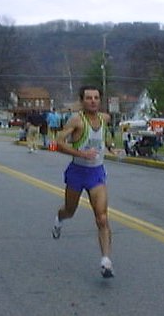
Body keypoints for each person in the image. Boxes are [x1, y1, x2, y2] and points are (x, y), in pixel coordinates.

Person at [52, 85, 115, 278]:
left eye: (96, 98)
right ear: (82, 101)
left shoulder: (105, 118)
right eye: (89, 98)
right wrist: (81, 154)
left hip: (96, 173)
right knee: (70, 211)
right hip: (77, 173)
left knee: (102, 218)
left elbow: (104, 137)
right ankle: (59, 219)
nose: (93, 101)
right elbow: (58, 143)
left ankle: (106, 261)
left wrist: (112, 147)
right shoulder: (76, 120)